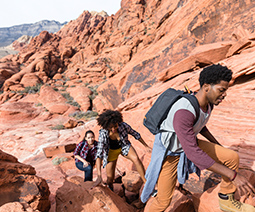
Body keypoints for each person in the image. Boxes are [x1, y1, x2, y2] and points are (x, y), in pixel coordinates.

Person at [141, 64, 255, 212]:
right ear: (207, 87)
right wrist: (233, 175)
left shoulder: (208, 103)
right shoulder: (184, 111)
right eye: (221, 90)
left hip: (187, 144)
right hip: (169, 153)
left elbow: (201, 125)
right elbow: (193, 153)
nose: (224, 94)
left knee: (231, 157)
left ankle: (226, 200)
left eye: (225, 90)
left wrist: (217, 145)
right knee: (163, 201)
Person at [93, 109, 151, 191]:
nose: (113, 129)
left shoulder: (123, 125)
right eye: (111, 127)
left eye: (115, 126)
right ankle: (111, 189)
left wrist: (146, 146)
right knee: (110, 179)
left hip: (124, 147)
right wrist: (99, 176)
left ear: (118, 122)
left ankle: (146, 183)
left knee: (136, 159)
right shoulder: (103, 133)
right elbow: (99, 154)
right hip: (111, 152)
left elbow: (135, 134)